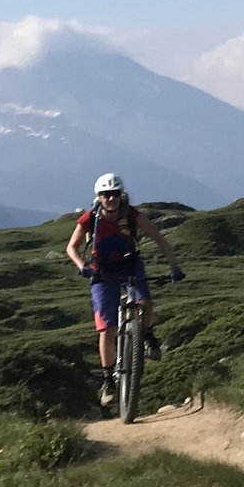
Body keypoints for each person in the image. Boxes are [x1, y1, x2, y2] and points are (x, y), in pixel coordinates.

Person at [65, 172, 183, 408]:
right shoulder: (90, 218)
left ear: (121, 195)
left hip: (129, 263)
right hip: (101, 270)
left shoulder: (132, 215)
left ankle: (147, 334)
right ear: (98, 197)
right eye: (106, 195)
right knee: (107, 328)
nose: (111, 199)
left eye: (115, 194)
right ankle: (108, 379)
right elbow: (72, 247)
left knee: (145, 302)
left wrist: (174, 267)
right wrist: (83, 267)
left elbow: (159, 238)